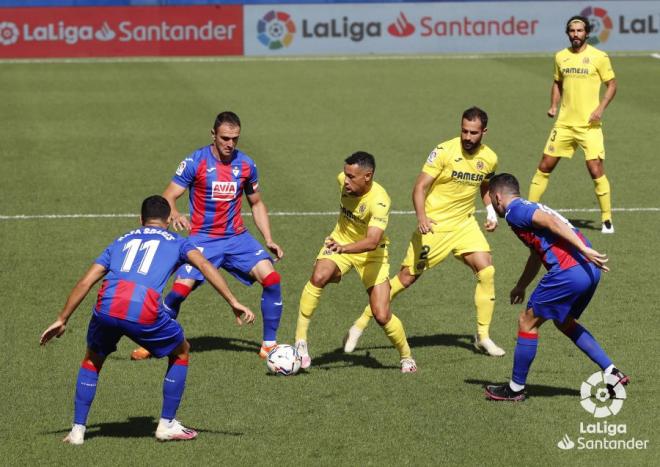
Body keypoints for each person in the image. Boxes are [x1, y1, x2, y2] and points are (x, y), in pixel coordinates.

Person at [40, 196, 255, 444]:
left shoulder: (121, 240)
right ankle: (167, 424)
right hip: (143, 306)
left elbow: (87, 281)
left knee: (92, 359)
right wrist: (233, 301)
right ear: (169, 219)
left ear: (141, 220)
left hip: (107, 303)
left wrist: (62, 318)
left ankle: (77, 431)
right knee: (181, 351)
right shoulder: (178, 241)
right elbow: (205, 265)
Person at [344, 107, 505, 357]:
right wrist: (421, 217)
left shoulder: (490, 158)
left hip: (464, 224)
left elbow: (484, 184)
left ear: (484, 132)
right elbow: (419, 187)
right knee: (405, 279)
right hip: (434, 226)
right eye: (464, 130)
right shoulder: (443, 151)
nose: (467, 137)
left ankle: (483, 336)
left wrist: (491, 211)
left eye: (473, 132)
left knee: (487, 270)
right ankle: (359, 325)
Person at [131, 111, 284, 361]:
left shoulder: (246, 164)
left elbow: (256, 203)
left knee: (272, 278)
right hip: (202, 239)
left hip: (237, 238)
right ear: (213, 135)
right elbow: (168, 196)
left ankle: (269, 345)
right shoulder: (195, 162)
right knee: (179, 291)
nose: (230, 144)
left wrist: (268, 238)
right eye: (225, 138)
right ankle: (153, 341)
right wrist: (177, 214)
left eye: (235, 139)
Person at [484, 173, 629, 401]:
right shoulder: (527, 208)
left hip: (571, 270)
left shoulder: (515, 212)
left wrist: (583, 248)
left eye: (492, 201)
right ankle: (612, 373)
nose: (493, 205)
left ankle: (515, 389)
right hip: (589, 270)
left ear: (498, 196)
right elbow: (536, 254)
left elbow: (552, 222)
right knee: (565, 322)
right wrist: (521, 286)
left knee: (527, 322)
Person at [294, 151, 417, 373]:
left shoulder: (380, 201)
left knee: (381, 314)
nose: (346, 180)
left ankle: (406, 356)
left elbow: (371, 242)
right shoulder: (342, 181)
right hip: (340, 242)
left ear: (367, 176)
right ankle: (300, 342)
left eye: (352, 177)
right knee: (319, 276)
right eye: (345, 174)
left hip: (372, 254)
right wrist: (340, 248)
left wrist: (344, 249)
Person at [528, 15, 617, 234]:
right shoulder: (560, 56)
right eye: (572, 31)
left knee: (595, 168)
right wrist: (553, 106)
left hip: (589, 126)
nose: (575, 34)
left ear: (587, 33)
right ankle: (528, 212)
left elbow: (612, 85)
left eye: (579, 30)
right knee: (545, 165)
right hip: (564, 124)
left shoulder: (599, 56)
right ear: (568, 33)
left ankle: (606, 220)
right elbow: (557, 83)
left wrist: (600, 109)